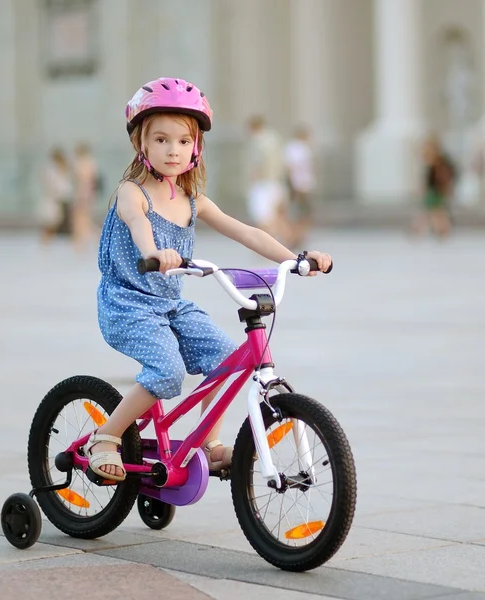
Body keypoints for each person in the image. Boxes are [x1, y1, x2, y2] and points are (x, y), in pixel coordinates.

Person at [88, 77, 332, 482]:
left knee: (225, 360)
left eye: (184, 141)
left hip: (170, 305)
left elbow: (246, 232)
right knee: (167, 371)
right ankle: (106, 436)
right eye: (162, 140)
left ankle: (208, 442)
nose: (173, 150)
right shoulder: (132, 192)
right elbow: (136, 223)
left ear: (196, 147)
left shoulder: (193, 200)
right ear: (141, 145)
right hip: (127, 302)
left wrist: (298, 259)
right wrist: (153, 253)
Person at [245, 115, 290, 243]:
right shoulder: (274, 138)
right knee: (276, 216)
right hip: (276, 182)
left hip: (263, 183)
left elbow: (256, 164)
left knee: (263, 217)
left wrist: (252, 180)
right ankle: (285, 241)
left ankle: (266, 244)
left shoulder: (258, 141)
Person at [411, 135, 456, 239]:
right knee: (433, 211)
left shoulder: (440, 165)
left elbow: (444, 178)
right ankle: (440, 229)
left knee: (434, 211)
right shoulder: (433, 165)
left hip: (436, 191)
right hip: (433, 191)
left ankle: (441, 229)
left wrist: (446, 188)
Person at [283, 125, 316, 248]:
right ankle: (294, 236)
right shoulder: (297, 149)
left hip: (303, 184)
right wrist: (296, 185)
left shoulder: (300, 148)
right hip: (300, 185)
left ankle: (299, 236)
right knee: (300, 213)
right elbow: (293, 168)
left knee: (303, 213)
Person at [38, 148, 74, 246]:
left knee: (66, 223)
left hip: (64, 199)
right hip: (56, 200)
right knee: (53, 223)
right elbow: (52, 186)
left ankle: (46, 242)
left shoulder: (64, 169)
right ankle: (45, 242)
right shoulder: (52, 170)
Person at [72, 142, 99, 252]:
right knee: (84, 219)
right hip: (88, 193)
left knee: (80, 219)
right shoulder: (91, 163)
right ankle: (83, 242)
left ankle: (81, 243)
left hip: (82, 193)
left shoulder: (80, 163)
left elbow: (82, 179)